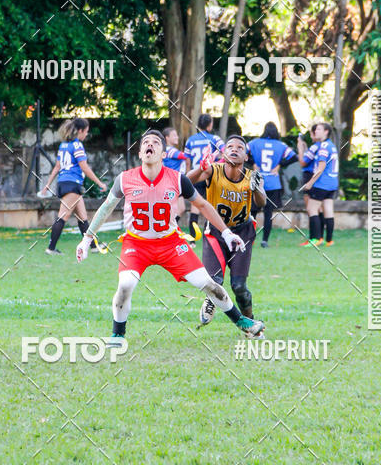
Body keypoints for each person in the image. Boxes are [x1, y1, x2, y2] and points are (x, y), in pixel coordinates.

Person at [76, 130, 265, 340]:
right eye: (146, 142)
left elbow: (202, 205)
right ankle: (118, 334)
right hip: (137, 244)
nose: (150, 145)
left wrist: (227, 232)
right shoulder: (125, 179)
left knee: (209, 284)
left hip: (170, 243)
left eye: (156, 142)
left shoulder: (176, 179)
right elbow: (105, 208)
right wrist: (86, 239)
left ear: (163, 154)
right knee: (125, 285)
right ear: (140, 153)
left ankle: (242, 322)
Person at [188, 134, 266, 326]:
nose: (234, 149)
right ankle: (210, 300)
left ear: (246, 156)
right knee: (214, 280)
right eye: (230, 146)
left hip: (243, 232)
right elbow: (184, 182)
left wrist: (256, 189)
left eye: (240, 147)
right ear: (223, 153)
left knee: (239, 286)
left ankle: (250, 322)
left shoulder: (252, 176)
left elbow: (261, 202)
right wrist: (200, 167)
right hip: (216, 232)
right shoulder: (213, 170)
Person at [40, 117, 108, 255]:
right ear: (80, 131)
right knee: (62, 216)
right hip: (73, 184)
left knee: (82, 218)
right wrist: (99, 183)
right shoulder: (77, 145)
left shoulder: (63, 145)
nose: (86, 134)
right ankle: (51, 248)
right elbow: (84, 167)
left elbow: (57, 167)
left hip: (64, 183)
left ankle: (94, 246)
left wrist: (48, 184)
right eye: (86, 131)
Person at [247, 122, 297, 247]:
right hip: (273, 183)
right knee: (268, 213)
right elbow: (294, 157)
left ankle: (250, 240)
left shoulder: (254, 143)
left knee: (252, 212)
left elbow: (243, 151)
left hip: (257, 181)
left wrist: (252, 163)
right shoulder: (281, 145)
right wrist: (280, 165)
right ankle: (265, 241)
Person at [184, 113, 225, 236]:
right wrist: (218, 163)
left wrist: (188, 176)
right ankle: (212, 233)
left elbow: (187, 160)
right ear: (210, 124)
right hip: (209, 174)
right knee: (212, 205)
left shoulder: (190, 140)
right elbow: (225, 153)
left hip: (195, 175)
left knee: (195, 206)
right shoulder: (214, 139)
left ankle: (192, 239)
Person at [299, 122, 339, 246]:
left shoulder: (324, 146)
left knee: (312, 209)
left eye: (319, 129)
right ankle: (329, 240)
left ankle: (316, 239)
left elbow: (320, 168)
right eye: (316, 129)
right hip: (332, 183)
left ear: (326, 132)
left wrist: (310, 183)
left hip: (322, 183)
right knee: (328, 210)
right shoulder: (332, 145)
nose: (316, 131)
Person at [297, 124, 322, 246]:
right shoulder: (322, 146)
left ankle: (314, 238)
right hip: (317, 178)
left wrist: (300, 148)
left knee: (311, 209)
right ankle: (319, 237)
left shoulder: (316, 147)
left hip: (309, 176)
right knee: (318, 209)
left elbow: (303, 162)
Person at [162, 126, 189, 225]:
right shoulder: (168, 150)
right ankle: (167, 228)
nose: (177, 137)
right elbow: (184, 156)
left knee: (181, 208)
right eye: (174, 135)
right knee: (174, 208)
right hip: (171, 183)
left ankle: (169, 227)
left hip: (177, 183)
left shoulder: (171, 149)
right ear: (166, 138)